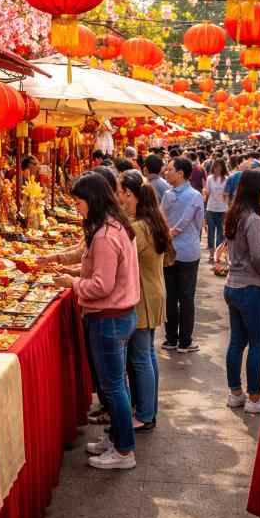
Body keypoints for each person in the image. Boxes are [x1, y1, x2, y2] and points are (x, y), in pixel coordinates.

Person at [43, 173, 140, 468]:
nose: (77, 208)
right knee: (115, 383)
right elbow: (87, 255)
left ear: (92, 200)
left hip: (109, 317)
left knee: (112, 386)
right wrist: (58, 259)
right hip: (117, 315)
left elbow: (101, 285)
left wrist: (71, 283)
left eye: (79, 202)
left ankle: (124, 451)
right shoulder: (109, 226)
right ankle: (115, 438)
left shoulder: (107, 235)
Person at [118, 170, 171, 432]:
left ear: (132, 195)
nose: (119, 198)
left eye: (121, 193)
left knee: (141, 357)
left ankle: (146, 414)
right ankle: (148, 410)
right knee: (147, 355)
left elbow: (121, 260)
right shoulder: (152, 221)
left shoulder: (139, 227)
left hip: (143, 297)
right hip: (152, 291)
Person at [222, 170, 260, 414]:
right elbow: (257, 256)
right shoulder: (252, 218)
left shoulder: (236, 214)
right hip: (249, 288)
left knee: (237, 341)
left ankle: (235, 393)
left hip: (233, 286)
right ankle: (254, 397)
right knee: (257, 343)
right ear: (255, 190)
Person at [161, 156, 205, 353]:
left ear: (181, 174)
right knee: (186, 296)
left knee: (171, 296)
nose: (166, 172)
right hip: (188, 251)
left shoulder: (169, 196)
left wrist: (171, 233)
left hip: (170, 252)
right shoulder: (194, 196)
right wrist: (185, 235)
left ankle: (171, 338)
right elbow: (197, 224)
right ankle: (185, 341)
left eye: (170, 169)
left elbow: (162, 220)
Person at [204, 157, 229, 263]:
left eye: (219, 167)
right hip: (211, 208)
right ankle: (211, 253)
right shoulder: (209, 178)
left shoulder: (227, 179)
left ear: (223, 168)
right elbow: (207, 193)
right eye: (215, 166)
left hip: (222, 209)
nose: (217, 169)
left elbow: (227, 195)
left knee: (220, 233)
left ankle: (217, 255)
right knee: (210, 232)